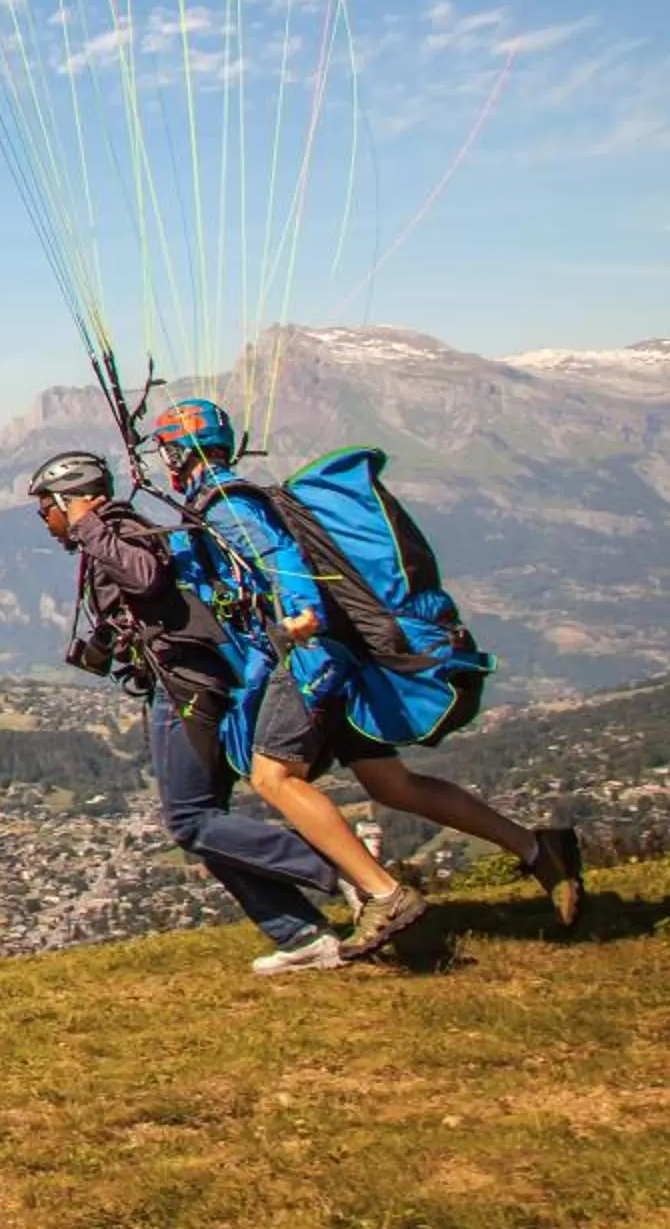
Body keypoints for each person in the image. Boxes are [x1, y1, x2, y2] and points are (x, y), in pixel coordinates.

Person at [144, 399, 584, 961]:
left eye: (166, 451)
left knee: (273, 777)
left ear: (178, 452)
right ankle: (538, 849)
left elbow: (279, 556)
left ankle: (383, 896)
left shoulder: (224, 503)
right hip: (336, 659)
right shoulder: (224, 498)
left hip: (310, 660)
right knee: (392, 785)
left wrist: (300, 615)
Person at [29, 449, 353, 975]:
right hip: (184, 683)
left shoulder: (120, 529)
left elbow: (146, 577)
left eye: (47, 509)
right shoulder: (109, 536)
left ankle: (343, 867)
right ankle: (301, 934)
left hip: (187, 686)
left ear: (71, 500)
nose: (45, 522)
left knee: (190, 821)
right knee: (206, 821)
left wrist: (88, 525)